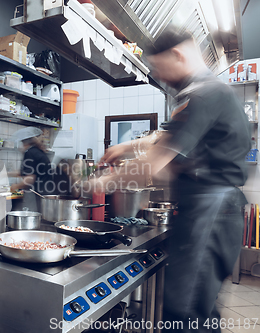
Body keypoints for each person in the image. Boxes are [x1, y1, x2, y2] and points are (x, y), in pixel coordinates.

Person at [85, 28, 250, 333]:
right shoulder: (209, 92)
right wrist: (123, 147)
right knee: (198, 308)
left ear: (178, 54)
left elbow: (153, 163)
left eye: (160, 68)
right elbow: (163, 138)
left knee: (184, 312)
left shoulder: (204, 94)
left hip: (210, 212)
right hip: (215, 210)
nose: (161, 76)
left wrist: (100, 183)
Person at [9, 127, 54, 212]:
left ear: (23, 143)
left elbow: (29, 179)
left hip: (37, 194)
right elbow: (27, 172)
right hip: (46, 194)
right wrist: (6, 174)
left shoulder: (29, 153)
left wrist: (15, 187)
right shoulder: (38, 151)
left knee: (33, 218)